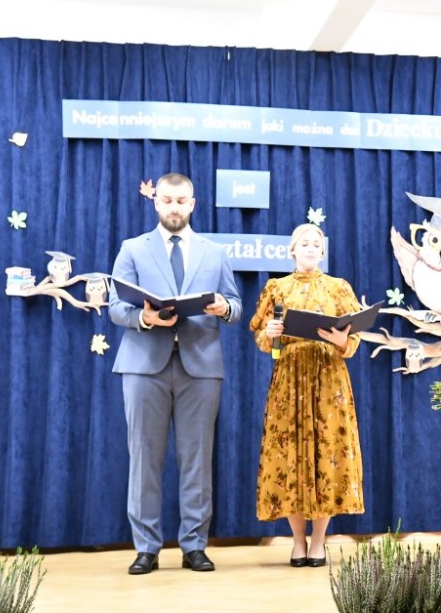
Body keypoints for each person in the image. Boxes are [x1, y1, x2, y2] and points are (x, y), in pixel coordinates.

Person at [108, 172, 242, 575]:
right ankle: (146, 548)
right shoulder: (133, 248)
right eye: (167, 200)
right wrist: (145, 318)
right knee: (144, 458)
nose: (174, 208)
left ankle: (194, 546)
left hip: (200, 367)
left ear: (192, 204)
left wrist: (225, 307)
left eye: (181, 201)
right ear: (156, 202)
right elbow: (116, 307)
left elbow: (235, 304)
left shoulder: (214, 252)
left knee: (197, 459)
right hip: (143, 366)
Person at [249, 223, 364, 568]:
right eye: (305, 243)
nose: (311, 248)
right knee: (290, 456)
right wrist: (270, 333)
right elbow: (261, 337)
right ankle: (297, 541)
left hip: (329, 381)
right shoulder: (277, 288)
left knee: (327, 455)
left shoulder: (338, 287)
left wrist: (343, 341)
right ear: (292, 250)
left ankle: (318, 542)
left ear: (323, 252)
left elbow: (354, 337)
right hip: (290, 381)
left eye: (317, 244)